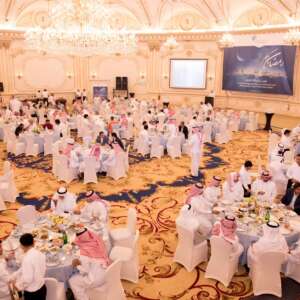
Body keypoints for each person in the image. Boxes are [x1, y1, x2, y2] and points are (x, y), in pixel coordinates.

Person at [69, 228, 110, 300]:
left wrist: (77, 265)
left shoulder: (85, 253)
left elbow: (85, 271)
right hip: (106, 272)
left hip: (96, 279)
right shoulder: (96, 242)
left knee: (72, 280)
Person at [10, 233, 46, 300]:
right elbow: (25, 269)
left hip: (33, 294)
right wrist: (14, 275)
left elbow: (27, 279)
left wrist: (18, 286)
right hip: (42, 287)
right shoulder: (40, 253)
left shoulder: (27, 259)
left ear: (21, 246)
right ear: (33, 243)